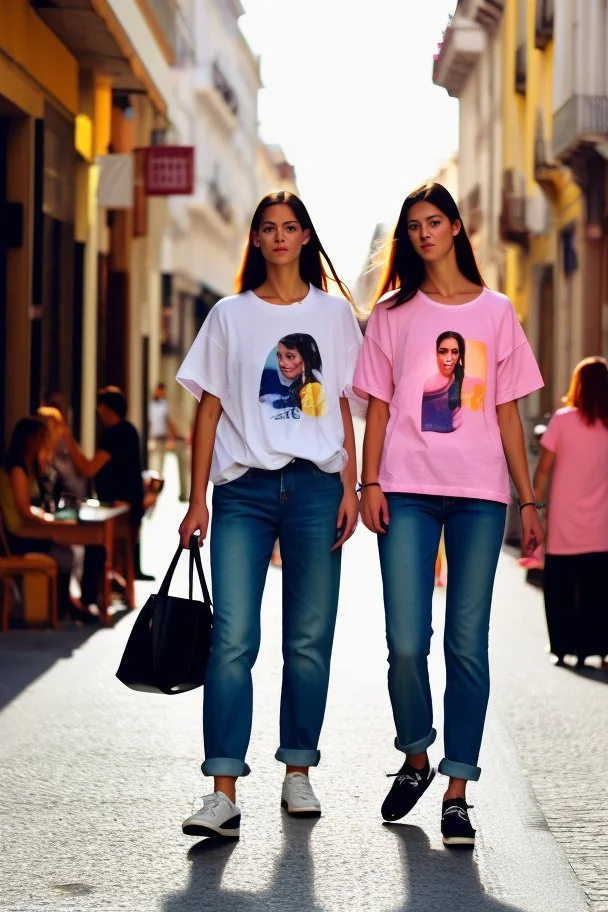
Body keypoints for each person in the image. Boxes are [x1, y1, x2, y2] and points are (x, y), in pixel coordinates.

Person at [353, 181, 544, 848]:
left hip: (481, 496)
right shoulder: (392, 314)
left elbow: (507, 411)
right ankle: (415, 753)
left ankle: (457, 789)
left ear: (457, 227)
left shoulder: (496, 312)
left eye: (435, 221)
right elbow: (377, 404)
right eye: (414, 226)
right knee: (406, 641)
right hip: (403, 489)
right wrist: (367, 481)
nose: (425, 233)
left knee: (467, 643)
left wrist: (528, 498)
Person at [176, 189, 363, 840]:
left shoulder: (336, 317)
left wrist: (353, 487)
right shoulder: (229, 315)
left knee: (308, 642)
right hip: (242, 493)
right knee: (232, 639)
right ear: (254, 239)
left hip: (316, 489)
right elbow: (205, 411)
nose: (280, 237)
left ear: (306, 237)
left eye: (290, 227)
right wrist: (195, 498)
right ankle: (222, 790)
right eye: (268, 228)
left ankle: (298, 771)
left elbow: (342, 403)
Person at [533, 357, 608, 668]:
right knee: (598, 590)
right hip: (602, 524)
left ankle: (562, 648)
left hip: (564, 521)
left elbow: (544, 469)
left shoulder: (563, 420)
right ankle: (598, 649)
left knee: (560, 588)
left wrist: (534, 506)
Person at [0, 416, 96, 624]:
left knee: (65, 549)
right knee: (63, 552)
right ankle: (62, 607)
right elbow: (24, 511)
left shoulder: (29, 466)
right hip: (18, 532)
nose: (44, 444)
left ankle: (64, 605)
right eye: (41, 439)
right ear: (31, 440)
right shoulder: (17, 469)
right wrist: (48, 520)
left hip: (28, 526)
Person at [64, 386, 156, 600]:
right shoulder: (129, 430)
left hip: (118, 507)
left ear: (106, 409)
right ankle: (104, 593)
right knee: (100, 544)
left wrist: (69, 441)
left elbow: (88, 469)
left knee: (94, 541)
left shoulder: (115, 434)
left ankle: (90, 597)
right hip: (128, 505)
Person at [148, 382, 188, 502]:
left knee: (177, 465)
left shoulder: (164, 405)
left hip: (165, 438)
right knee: (156, 468)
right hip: (156, 438)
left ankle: (183, 494)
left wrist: (172, 436)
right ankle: (154, 495)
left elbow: (168, 420)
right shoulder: (151, 405)